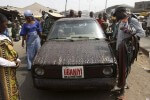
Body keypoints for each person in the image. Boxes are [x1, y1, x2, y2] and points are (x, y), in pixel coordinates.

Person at [113, 7, 145, 99]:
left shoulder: (133, 20)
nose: (119, 19)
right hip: (119, 48)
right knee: (120, 67)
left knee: (124, 68)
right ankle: (124, 83)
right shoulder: (121, 21)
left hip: (128, 49)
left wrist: (131, 35)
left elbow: (142, 33)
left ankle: (121, 91)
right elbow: (119, 34)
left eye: (120, 17)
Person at [0, 13, 20, 100]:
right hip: (2, 73)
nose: (6, 26)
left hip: (9, 73)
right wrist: (12, 63)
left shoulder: (4, 36)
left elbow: (11, 51)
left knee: (12, 93)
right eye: (5, 24)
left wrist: (17, 60)